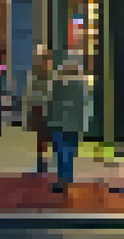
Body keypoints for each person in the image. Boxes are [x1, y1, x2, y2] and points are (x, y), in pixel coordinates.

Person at [45, 55, 92, 194]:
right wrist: (83, 126)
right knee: (69, 151)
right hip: (74, 124)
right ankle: (66, 178)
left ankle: (62, 179)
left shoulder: (56, 84)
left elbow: (50, 103)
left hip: (58, 123)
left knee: (61, 152)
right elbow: (85, 106)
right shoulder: (81, 86)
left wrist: (50, 120)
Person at [25, 46, 55, 175]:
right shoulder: (49, 74)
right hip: (44, 109)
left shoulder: (39, 75)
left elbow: (31, 93)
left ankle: (42, 165)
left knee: (42, 138)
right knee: (43, 138)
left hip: (40, 108)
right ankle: (43, 164)